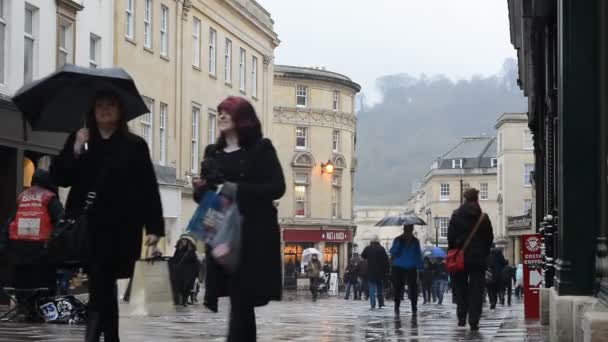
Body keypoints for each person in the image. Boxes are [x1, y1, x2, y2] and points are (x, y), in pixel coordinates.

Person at [51, 89, 164, 342]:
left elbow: (148, 188)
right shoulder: (81, 139)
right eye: (99, 105)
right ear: (92, 111)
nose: (104, 109)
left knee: (105, 283)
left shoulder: (134, 145)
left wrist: (154, 228)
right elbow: (61, 177)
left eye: (110, 105)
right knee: (101, 283)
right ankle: (101, 338)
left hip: (123, 227)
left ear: (120, 111)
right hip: (89, 225)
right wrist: (76, 148)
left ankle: (106, 337)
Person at [195, 96, 285, 342]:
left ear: (242, 119)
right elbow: (207, 197)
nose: (222, 116)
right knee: (238, 301)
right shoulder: (212, 153)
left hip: (252, 236)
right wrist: (201, 189)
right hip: (222, 234)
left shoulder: (261, 149)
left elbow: (277, 187)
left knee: (241, 300)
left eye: (228, 112)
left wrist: (236, 189)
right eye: (220, 112)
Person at [0, 169, 64, 318]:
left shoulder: (22, 197)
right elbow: (62, 223)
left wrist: (4, 247)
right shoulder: (50, 198)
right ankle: (44, 313)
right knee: (44, 287)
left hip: (18, 252)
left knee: (23, 286)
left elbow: (9, 223)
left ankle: (25, 311)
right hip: (41, 252)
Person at [447, 188, 494, 331]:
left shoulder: (455, 216)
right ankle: (474, 320)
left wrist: (455, 250)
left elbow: (450, 238)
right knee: (476, 290)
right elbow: (489, 239)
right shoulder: (483, 218)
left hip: (460, 258)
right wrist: (484, 254)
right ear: (477, 199)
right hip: (478, 260)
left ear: (464, 199)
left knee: (460, 287)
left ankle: (461, 316)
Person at [389, 225, 423, 317]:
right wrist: (398, 245)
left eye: (410, 231)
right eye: (407, 230)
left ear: (411, 230)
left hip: (411, 266)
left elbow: (418, 254)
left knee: (413, 288)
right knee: (398, 288)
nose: (408, 233)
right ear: (404, 230)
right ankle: (397, 307)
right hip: (399, 266)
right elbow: (393, 252)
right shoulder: (398, 240)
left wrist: (420, 267)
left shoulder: (415, 241)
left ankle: (414, 308)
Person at [170, 235, 201, 306]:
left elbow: (196, 262)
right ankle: (182, 300)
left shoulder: (191, 251)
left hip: (189, 273)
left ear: (188, 242)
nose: (183, 242)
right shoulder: (178, 250)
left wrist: (196, 273)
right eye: (182, 241)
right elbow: (175, 260)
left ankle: (185, 300)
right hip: (180, 272)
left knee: (187, 287)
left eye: (185, 241)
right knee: (180, 286)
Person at [361, 236, 389, 309]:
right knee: (380, 288)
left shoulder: (368, 248)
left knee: (372, 289)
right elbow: (386, 261)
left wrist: (368, 257)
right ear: (378, 241)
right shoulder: (381, 248)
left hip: (371, 271)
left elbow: (363, 255)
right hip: (380, 272)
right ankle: (380, 303)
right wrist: (386, 271)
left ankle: (372, 304)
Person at [486, 244, 507, 309]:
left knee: (490, 290)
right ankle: (497, 300)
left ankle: (492, 302)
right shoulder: (499, 254)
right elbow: (503, 263)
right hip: (498, 275)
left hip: (489, 275)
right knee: (497, 289)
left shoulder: (487, 254)